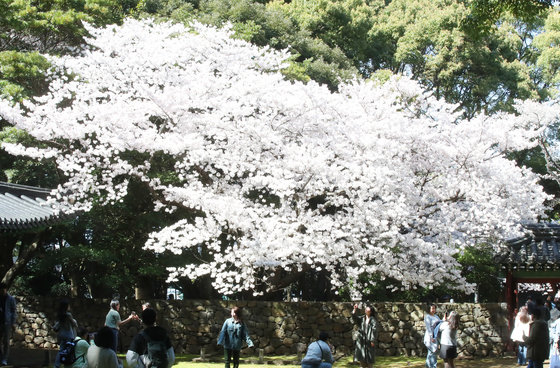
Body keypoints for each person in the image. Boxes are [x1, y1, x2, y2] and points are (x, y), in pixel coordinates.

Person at [53, 299, 78, 368]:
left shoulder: (60, 315)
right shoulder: (68, 315)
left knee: (61, 350)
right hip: (69, 335)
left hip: (61, 335)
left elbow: (57, 326)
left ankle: (57, 365)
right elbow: (74, 324)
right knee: (69, 351)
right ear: (66, 306)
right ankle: (67, 364)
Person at [352, 303, 377, 368]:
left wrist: (372, 340)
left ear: (370, 312)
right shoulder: (362, 318)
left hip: (369, 340)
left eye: (368, 309)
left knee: (369, 358)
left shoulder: (373, 320)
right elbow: (355, 318)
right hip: (361, 339)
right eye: (366, 309)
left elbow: (374, 330)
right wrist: (354, 309)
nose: (366, 310)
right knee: (361, 357)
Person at [0, 282, 16, 366]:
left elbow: (14, 311)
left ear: (6, 289)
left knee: (6, 341)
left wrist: (13, 323)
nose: (2, 291)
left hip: (7, 323)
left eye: (3, 289)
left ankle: (4, 359)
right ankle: (1, 357)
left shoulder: (10, 299)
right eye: (1, 290)